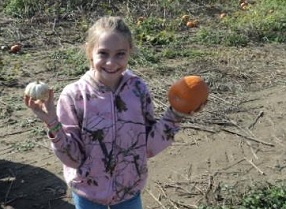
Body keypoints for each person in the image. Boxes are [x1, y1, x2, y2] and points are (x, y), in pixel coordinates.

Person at [24, 16, 204, 209]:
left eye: (120, 54)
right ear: (89, 52)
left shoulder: (138, 90)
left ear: (130, 52)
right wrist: (52, 122)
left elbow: (148, 146)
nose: (111, 63)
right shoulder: (74, 96)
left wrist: (175, 115)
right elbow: (73, 158)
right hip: (88, 194)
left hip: (128, 192)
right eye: (103, 53)